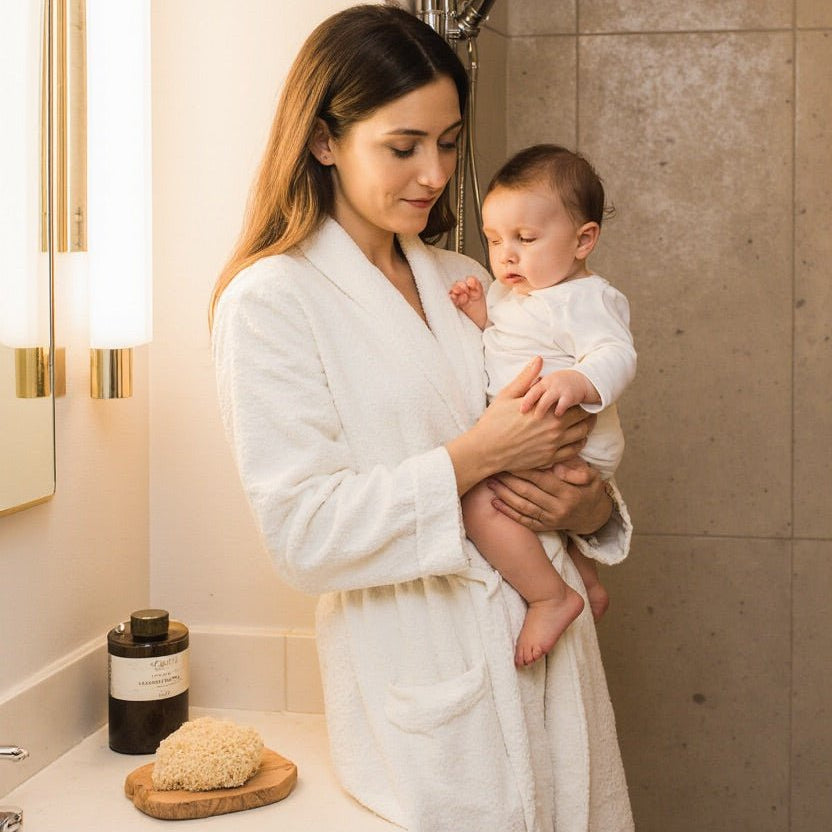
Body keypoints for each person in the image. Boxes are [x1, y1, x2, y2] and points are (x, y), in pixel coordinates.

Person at [210, 6, 634, 831]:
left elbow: (569, 419)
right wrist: (471, 457)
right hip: (432, 686)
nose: (435, 173)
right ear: (326, 140)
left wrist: (590, 510)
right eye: (403, 146)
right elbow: (302, 532)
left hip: (553, 654)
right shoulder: (270, 301)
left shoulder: (466, 275)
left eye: (448, 142)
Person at [448, 144, 636, 667]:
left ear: (583, 240)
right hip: (544, 446)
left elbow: (617, 354)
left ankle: (550, 596)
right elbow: (509, 347)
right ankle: (587, 578)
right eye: (494, 240)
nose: (506, 254)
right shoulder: (517, 294)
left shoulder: (587, 298)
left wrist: (579, 380)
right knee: (550, 514)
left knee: (479, 504)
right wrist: (482, 314)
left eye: (525, 239)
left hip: (571, 441)